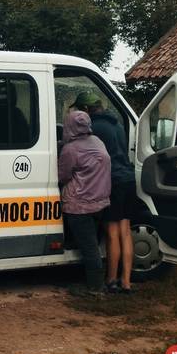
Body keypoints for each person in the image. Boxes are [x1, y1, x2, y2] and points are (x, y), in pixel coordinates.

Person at [75, 91, 135, 293]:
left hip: (113, 182)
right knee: (125, 231)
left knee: (111, 231)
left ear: (86, 109)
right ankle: (126, 281)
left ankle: (110, 279)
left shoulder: (95, 128)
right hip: (128, 179)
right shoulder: (116, 123)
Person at [58, 110, 111, 294]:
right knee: (92, 244)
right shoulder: (98, 142)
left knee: (89, 248)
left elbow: (63, 176)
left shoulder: (70, 149)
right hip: (100, 202)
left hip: (79, 205)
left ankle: (96, 287)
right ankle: (93, 280)